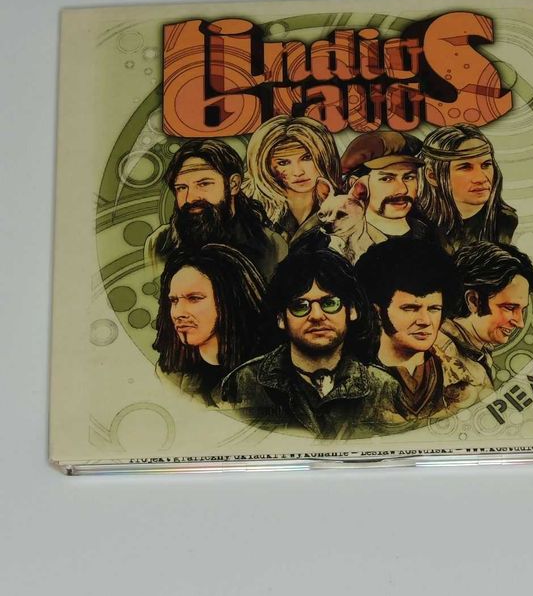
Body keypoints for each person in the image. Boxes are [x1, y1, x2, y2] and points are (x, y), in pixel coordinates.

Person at [219, 248, 400, 438]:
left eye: (330, 303)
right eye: (300, 306)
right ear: (281, 319)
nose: (316, 316)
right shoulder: (243, 382)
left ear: (352, 310)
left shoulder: (383, 388)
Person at [355, 239, 492, 420]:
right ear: (377, 311)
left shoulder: (469, 378)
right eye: (410, 308)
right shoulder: (352, 380)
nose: (425, 321)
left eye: (434, 309)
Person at [144, 139, 287, 281]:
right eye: (181, 188)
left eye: (203, 184)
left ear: (233, 184)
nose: (190, 198)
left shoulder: (272, 246)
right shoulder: (160, 244)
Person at [153, 245, 266, 406]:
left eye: (194, 298)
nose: (178, 313)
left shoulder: (270, 375)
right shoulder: (169, 377)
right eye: (174, 300)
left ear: (229, 299)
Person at [437, 241, 533, 386]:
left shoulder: (476, 351)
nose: (520, 323)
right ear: (473, 301)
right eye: (510, 308)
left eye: (522, 310)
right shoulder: (440, 359)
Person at [242, 115, 342, 244]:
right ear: (266, 166)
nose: (298, 172)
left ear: (325, 157)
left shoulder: (347, 203)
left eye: (307, 158)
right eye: (283, 163)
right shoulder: (249, 209)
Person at [419, 124, 517, 254]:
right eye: (465, 167)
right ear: (433, 176)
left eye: (486, 165)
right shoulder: (414, 226)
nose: (481, 178)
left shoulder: (503, 221)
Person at [340, 130, 436, 241]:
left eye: (408, 177)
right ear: (355, 184)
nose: (403, 189)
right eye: (386, 179)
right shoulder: (337, 241)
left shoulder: (431, 234)